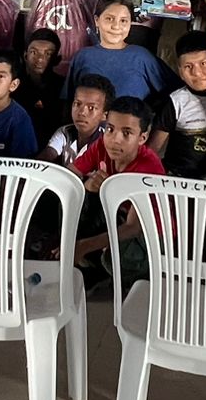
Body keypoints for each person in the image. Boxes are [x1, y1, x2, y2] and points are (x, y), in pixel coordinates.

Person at [70, 96, 166, 271]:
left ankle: (109, 273)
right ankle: (78, 257)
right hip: (119, 216)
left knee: (114, 258)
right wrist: (86, 187)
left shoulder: (148, 168)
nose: (115, 139)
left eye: (126, 133)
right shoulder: (102, 145)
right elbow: (69, 176)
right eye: (110, 129)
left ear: (142, 138)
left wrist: (85, 245)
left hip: (151, 234)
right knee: (73, 196)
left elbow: (133, 227)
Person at [61, 0, 173, 103]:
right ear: (97, 20)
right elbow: (68, 101)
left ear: (130, 23)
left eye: (123, 20)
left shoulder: (142, 57)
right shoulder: (83, 57)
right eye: (109, 19)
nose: (116, 26)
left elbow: (175, 95)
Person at [150, 32, 206, 180]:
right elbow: (152, 150)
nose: (197, 72)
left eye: (204, 64)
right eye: (188, 66)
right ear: (180, 72)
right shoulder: (176, 101)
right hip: (180, 178)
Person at [43, 73, 114, 167]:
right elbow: (47, 156)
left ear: (104, 116)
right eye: (77, 104)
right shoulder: (65, 132)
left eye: (91, 108)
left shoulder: (108, 145)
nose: (82, 112)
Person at [17, 28, 64, 145]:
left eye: (48, 54)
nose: (40, 59)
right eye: (34, 52)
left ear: (57, 59)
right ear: (25, 56)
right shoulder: (12, 85)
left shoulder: (63, 87)